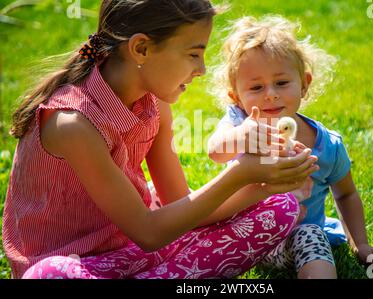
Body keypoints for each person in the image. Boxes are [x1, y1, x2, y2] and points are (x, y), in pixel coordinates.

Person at [2, 1, 321, 279]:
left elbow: (178, 204)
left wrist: (263, 186)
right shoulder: (72, 124)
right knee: (49, 276)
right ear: (141, 48)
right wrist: (241, 174)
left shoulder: (155, 103)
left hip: (130, 250)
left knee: (279, 206)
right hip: (75, 266)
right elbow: (149, 233)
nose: (202, 69)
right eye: (194, 54)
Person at [207, 15, 373, 278]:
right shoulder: (239, 123)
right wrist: (242, 136)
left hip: (294, 239)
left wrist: (360, 244)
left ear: (305, 84)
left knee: (311, 235)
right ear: (236, 97)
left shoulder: (328, 145)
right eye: (256, 87)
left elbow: (346, 194)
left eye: (282, 82)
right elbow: (215, 150)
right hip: (244, 235)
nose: (271, 94)